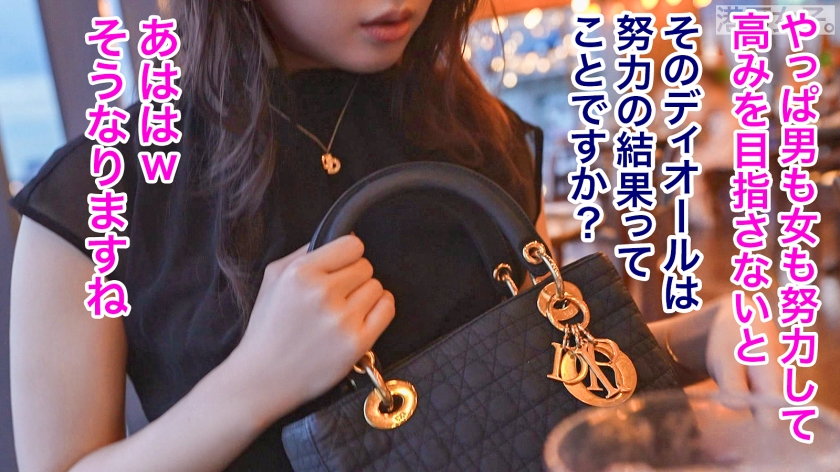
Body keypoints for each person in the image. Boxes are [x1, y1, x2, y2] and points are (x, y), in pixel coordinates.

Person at [9, 1, 782, 471]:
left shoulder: (470, 124)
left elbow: (525, 361)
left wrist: (702, 335)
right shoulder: (101, 191)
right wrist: (256, 384)